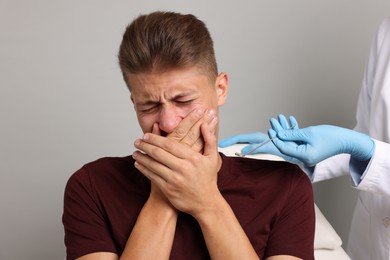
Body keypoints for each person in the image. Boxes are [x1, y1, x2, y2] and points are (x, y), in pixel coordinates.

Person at [62, 11, 315, 260]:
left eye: (184, 100)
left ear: (220, 90)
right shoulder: (92, 186)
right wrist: (165, 191)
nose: (169, 123)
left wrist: (208, 202)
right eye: (149, 106)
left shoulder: (285, 187)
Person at [219, 17, 390, 260]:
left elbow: (366, 147)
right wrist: (301, 155)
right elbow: (367, 135)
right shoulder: (387, 30)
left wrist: (365, 149)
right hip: (370, 237)